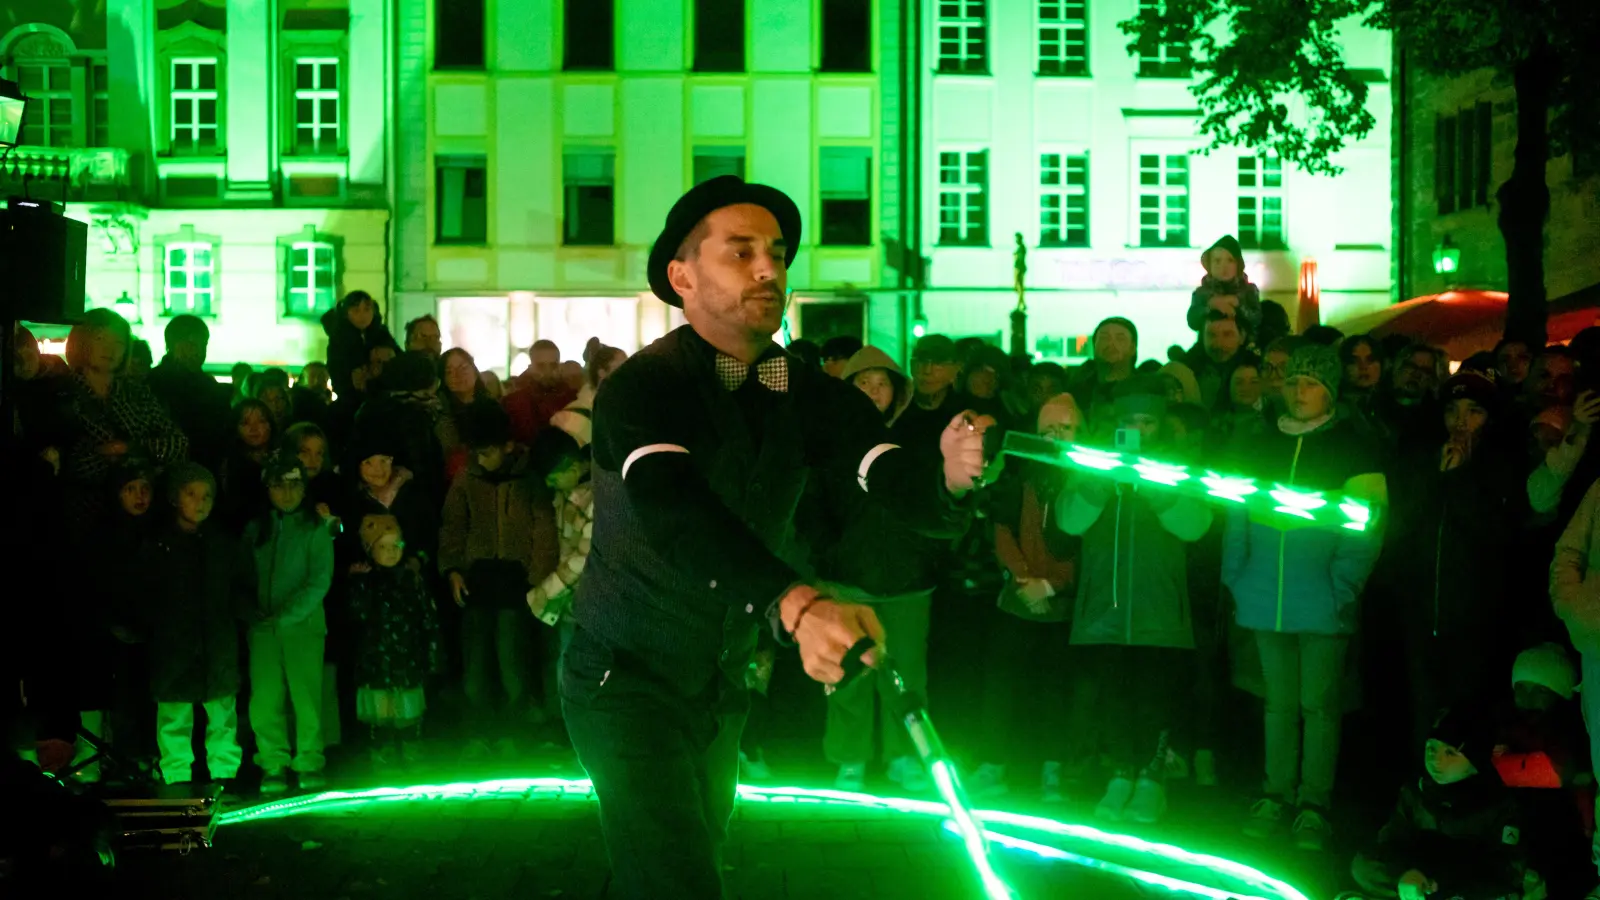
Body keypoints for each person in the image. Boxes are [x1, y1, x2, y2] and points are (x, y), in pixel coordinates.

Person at [562, 175, 986, 898]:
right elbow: (675, 510)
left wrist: (946, 481)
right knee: (676, 873)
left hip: (717, 680)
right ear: (682, 276)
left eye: (778, 253)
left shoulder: (812, 391)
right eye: (741, 252)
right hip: (622, 674)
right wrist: (796, 604)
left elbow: (877, 470)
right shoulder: (644, 387)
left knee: (683, 854)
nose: (769, 268)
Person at [1226, 343, 1387, 850]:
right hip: (1262, 596)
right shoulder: (1260, 444)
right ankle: (1276, 793)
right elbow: (1236, 515)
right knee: (1278, 703)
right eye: (1294, 381)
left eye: (1311, 383)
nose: (1300, 391)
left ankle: (1313, 803)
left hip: (1322, 600)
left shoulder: (1355, 448)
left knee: (1318, 706)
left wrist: (1342, 587)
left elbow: (1367, 528)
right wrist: (1237, 575)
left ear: (1330, 391)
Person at [1057, 378, 1213, 824]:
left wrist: (1156, 487)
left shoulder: (1178, 466)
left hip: (1158, 609)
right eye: (1130, 422)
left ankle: (1151, 779)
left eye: (1147, 422)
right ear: (1115, 424)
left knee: (1154, 697)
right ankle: (1121, 774)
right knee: (1112, 696)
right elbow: (1070, 522)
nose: (1138, 430)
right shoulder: (1093, 464)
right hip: (1103, 609)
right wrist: (1101, 484)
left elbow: (1195, 526)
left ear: (1161, 426)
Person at [813, 345, 954, 796]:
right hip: (846, 579)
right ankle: (850, 759)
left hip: (909, 583)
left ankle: (903, 757)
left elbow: (939, 505)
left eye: (882, 382)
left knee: (907, 677)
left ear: (899, 390)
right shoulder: (828, 439)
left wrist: (926, 557)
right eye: (863, 383)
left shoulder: (919, 439)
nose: (874, 391)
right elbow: (812, 509)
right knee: (847, 675)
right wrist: (825, 561)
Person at [1384, 372, 1529, 746]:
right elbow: (1399, 526)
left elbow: (1497, 536)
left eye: (1473, 411)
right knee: (1422, 706)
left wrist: (1460, 479)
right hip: (1419, 613)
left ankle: (1463, 796)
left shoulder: (1502, 468)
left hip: (1475, 620)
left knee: (1468, 712)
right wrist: (1436, 478)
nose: (1461, 421)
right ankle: (1421, 790)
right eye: (1452, 410)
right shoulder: (1420, 461)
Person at [976, 394, 1082, 802]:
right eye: (1046, 430)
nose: (1055, 437)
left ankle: (1051, 769)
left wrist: (1052, 585)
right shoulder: (1019, 477)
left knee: (1055, 690)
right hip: (1017, 602)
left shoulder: (1086, 482)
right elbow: (1002, 530)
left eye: (1065, 428)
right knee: (1001, 687)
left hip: (1064, 608)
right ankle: (993, 765)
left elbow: (1089, 549)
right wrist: (1024, 579)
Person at [439, 403, 559, 756]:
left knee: (512, 661)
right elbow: (453, 526)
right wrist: (453, 569)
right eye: (476, 452)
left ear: (507, 446)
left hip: (516, 583)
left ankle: (513, 731)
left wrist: (537, 577)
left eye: (487, 451)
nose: (481, 458)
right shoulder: (467, 480)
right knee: (476, 662)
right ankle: (478, 730)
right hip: (478, 581)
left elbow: (543, 530)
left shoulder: (529, 480)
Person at [136, 463, 254, 792]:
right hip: (174, 646)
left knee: (222, 715)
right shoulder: (159, 545)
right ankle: (176, 780)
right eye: (192, 494)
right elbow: (145, 592)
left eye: (207, 495)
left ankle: (223, 778)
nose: (200, 502)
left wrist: (244, 612)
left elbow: (240, 585)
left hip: (217, 643)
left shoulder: (223, 543)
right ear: (176, 497)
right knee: (174, 716)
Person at [1348, 709, 1540, 900]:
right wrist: (1402, 875)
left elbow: (1507, 868)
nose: (1435, 759)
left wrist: (1446, 881)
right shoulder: (1416, 791)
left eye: (1450, 752)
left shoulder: (1498, 804)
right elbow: (1391, 838)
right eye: (1431, 749)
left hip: (1461, 885)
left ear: (1475, 761)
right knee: (1363, 866)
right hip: (1418, 876)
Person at [244, 455, 334, 794]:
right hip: (263, 630)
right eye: (278, 485)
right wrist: (248, 611)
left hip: (303, 628)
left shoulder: (315, 528)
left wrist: (285, 615)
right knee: (265, 699)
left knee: (306, 697)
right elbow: (241, 576)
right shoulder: (255, 530)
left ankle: (310, 759)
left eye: (294, 484)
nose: (286, 492)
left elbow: (319, 580)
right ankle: (273, 762)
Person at [59, 309, 189, 529]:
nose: (109, 349)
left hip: (140, 519)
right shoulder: (62, 394)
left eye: (118, 342)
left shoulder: (138, 393)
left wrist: (128, 448)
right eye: (100, 338)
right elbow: (69, 464)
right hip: (82, 519)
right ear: (82, 340)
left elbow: (178, 444)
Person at [347, 516, 440, 771]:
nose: (390, 553)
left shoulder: (412, 579)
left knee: (407, 707)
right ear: (370, 550)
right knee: (381, 709)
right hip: (376, 660)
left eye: (395, 546)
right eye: (383, 547)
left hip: (407, 658)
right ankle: (383, 750)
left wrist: (430, 653)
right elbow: (358, 615)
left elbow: (426, 619)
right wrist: (358, 583)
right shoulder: (365, 581)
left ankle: (412, 747)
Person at [147, 315, 230, 468]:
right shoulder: (151, 384)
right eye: (191, 344)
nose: (198, 352)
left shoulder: (211, 387)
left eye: (203, 344)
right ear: (172, 345)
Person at [438, 347, 503, 486]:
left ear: (474, 369)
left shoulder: (492, 407)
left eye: (463, 368)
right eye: (449, 372)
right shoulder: (441, 412)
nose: (457, 375)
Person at [549, 339, 628, 449]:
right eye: (621, 368)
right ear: (602, 373)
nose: (627, 374)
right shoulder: (569, 417)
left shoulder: (624, 411)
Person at [1067, 317, 1137, 433]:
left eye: (1120, 339)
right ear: (1094, 345)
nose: (1111, 344)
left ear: (1133, 348)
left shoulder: (1145, 390)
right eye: (1105, 338)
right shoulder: (1077, 390)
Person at [217, 398, 276, 534]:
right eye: (245, 423)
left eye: (261, 421)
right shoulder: (229, 465)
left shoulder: (281, 459)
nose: (254, 429)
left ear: (270, 425)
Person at [504, 339, 578, 446]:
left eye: (553, 366)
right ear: (531, 367)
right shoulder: (513, 402)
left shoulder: (572, 399)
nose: (547, 372)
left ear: (559, 366)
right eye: (541, 366)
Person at [1187, 235, 1261, 336]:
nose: (1223, 266)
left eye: (1230, 260)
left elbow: (1256, 320)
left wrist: (1238, 305)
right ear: (1209, 264)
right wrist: (1210, 306)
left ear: (1238, 264)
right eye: (1217, 261)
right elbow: (1192, 321)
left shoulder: (1249, 290)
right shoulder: (1201, 293)